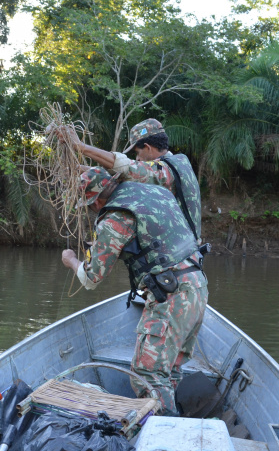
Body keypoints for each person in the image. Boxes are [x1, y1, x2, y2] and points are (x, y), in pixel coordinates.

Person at [61, 166, 209, 416]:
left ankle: (164, 436)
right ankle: (172, 421)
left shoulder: (114, 217)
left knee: (147, 374)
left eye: (90, 206)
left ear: (96, 201)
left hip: (170, 296)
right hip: (197, 286)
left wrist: (72, 260)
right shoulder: (155, 192)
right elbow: (153, 239)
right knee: (169, 370)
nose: (92, 210)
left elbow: (91, 277)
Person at [58, 119, 203, 245]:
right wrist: (83, 169)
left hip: (181, 256)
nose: (138, 159)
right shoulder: (174, 165)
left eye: (137, 153)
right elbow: (126, 176)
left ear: (148, 147)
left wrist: (80, 146)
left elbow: (128, 168)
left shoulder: (167, 169)